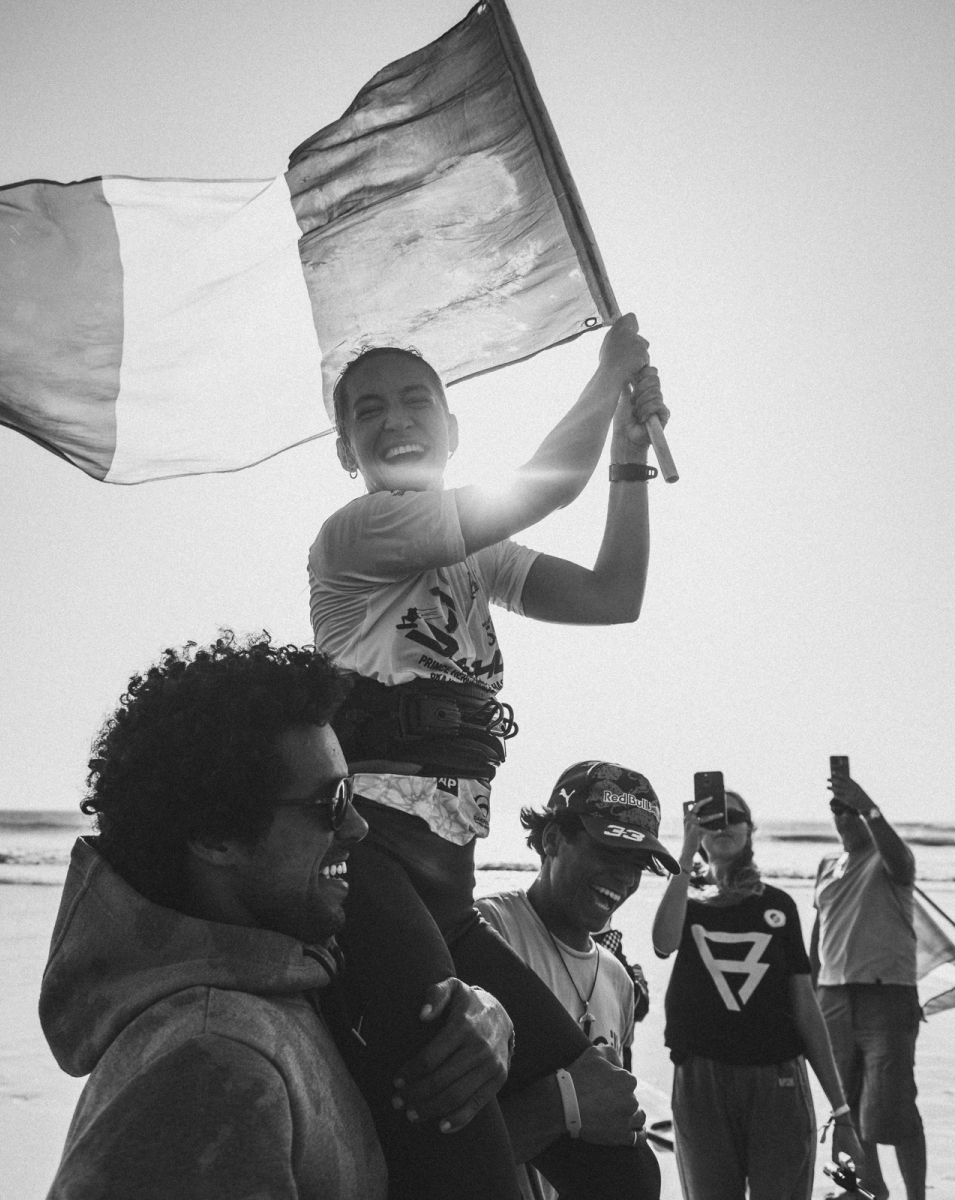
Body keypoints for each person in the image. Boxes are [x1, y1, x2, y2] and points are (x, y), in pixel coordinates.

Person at [308, 316, 670, 1199]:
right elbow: (549, 486)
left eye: (415, 400)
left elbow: (613, 594)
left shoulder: (480, 557)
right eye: (367, 410)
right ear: (346, 450)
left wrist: (627, 456)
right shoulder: (356, 536)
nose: (395, 419)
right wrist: (608, 375)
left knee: (623, 1172)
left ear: (452, 427)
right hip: (372, 860)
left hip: (451, 887)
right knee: (468, 1157)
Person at [40, 634, 512, 1200]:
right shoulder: (210, 1071)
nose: (358, 827)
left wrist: (485, 1018)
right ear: (216, 835)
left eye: (354, 794)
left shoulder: (293, 982)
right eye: (332, 803)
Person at [477, 760, 681, 1200]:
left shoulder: (618, 981)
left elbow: (615, 1122)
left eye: (639, 863)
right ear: (552, 839)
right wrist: (565, 1105)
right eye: (610, 853)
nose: (625, 878)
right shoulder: (487, 934)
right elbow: (445, 1143)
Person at [652, 790, 863, 1200]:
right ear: (697, 829)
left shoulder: (778, 905)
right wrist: (686, 853)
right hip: (701, 1079)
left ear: (751, 829)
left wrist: (841, 1112)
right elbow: (663, 941)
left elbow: (806, 1008)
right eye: (712, 818)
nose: (725, 824)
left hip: (776, 1080)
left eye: (735, 816)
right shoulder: (687, 901)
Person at [812, 772, 926, 1200]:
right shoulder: (827, 865)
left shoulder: (889, 859)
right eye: (837, 809)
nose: (844, 817)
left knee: (892, 1106)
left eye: (851, 810)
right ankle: (871, 1188)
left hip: (886, 994)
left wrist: (867, 805)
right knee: (849, 1103)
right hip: (833, 995)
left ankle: (917, 1196)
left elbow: (903, 862)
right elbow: (819, 936)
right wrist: (807, 992)